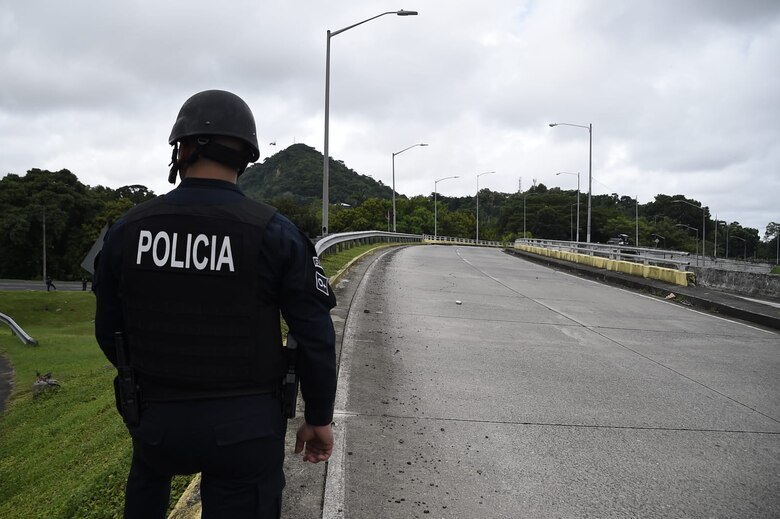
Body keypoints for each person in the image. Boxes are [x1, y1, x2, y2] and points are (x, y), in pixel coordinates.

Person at [93, 90, 337, 518]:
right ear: (245, 156)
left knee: (147, 484)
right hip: (247, 426)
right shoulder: (275, 232)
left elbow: (108, 329)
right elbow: (314, 334)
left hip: (156, 422)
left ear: (182, 148)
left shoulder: (128, 228)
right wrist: (319, 416)